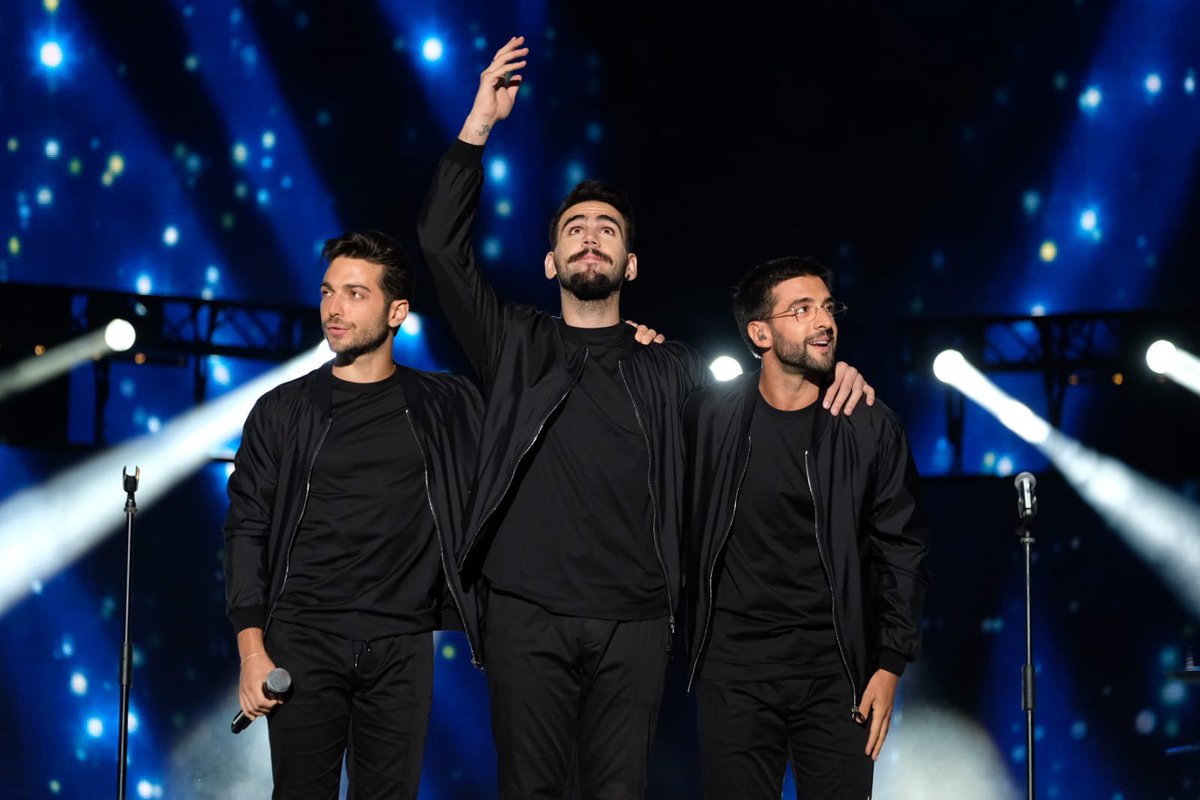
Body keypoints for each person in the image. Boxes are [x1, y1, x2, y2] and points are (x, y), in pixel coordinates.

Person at [417, 38, 873, 799]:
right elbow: (438, 246)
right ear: (550, 263)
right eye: (573, 228)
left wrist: (829, 367)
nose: (590, 233)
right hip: (525, 614)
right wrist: (477, 127)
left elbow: (760, 419)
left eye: (607, 227)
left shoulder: (672, 368)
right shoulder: (514, 343)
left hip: (635, 622)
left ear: (630, 264)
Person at [222, 230, 483, 799]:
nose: (334, 308)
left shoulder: (448, 404)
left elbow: (530, 413)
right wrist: (252, 650)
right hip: (303, 639)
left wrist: (619, 342)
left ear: (397, 312)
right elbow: (246, 530)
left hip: (401, 643)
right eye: (327, 291)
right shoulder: (283, 410)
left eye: (355, 293)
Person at [682, 255, 931, 799]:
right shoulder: (709, 416)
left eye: (827, 307)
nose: (824, 321)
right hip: (734, 673)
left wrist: (889, 666)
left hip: (836, 675)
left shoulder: (869, 424)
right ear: (760, 332)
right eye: (801, 310)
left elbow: (902, 549)